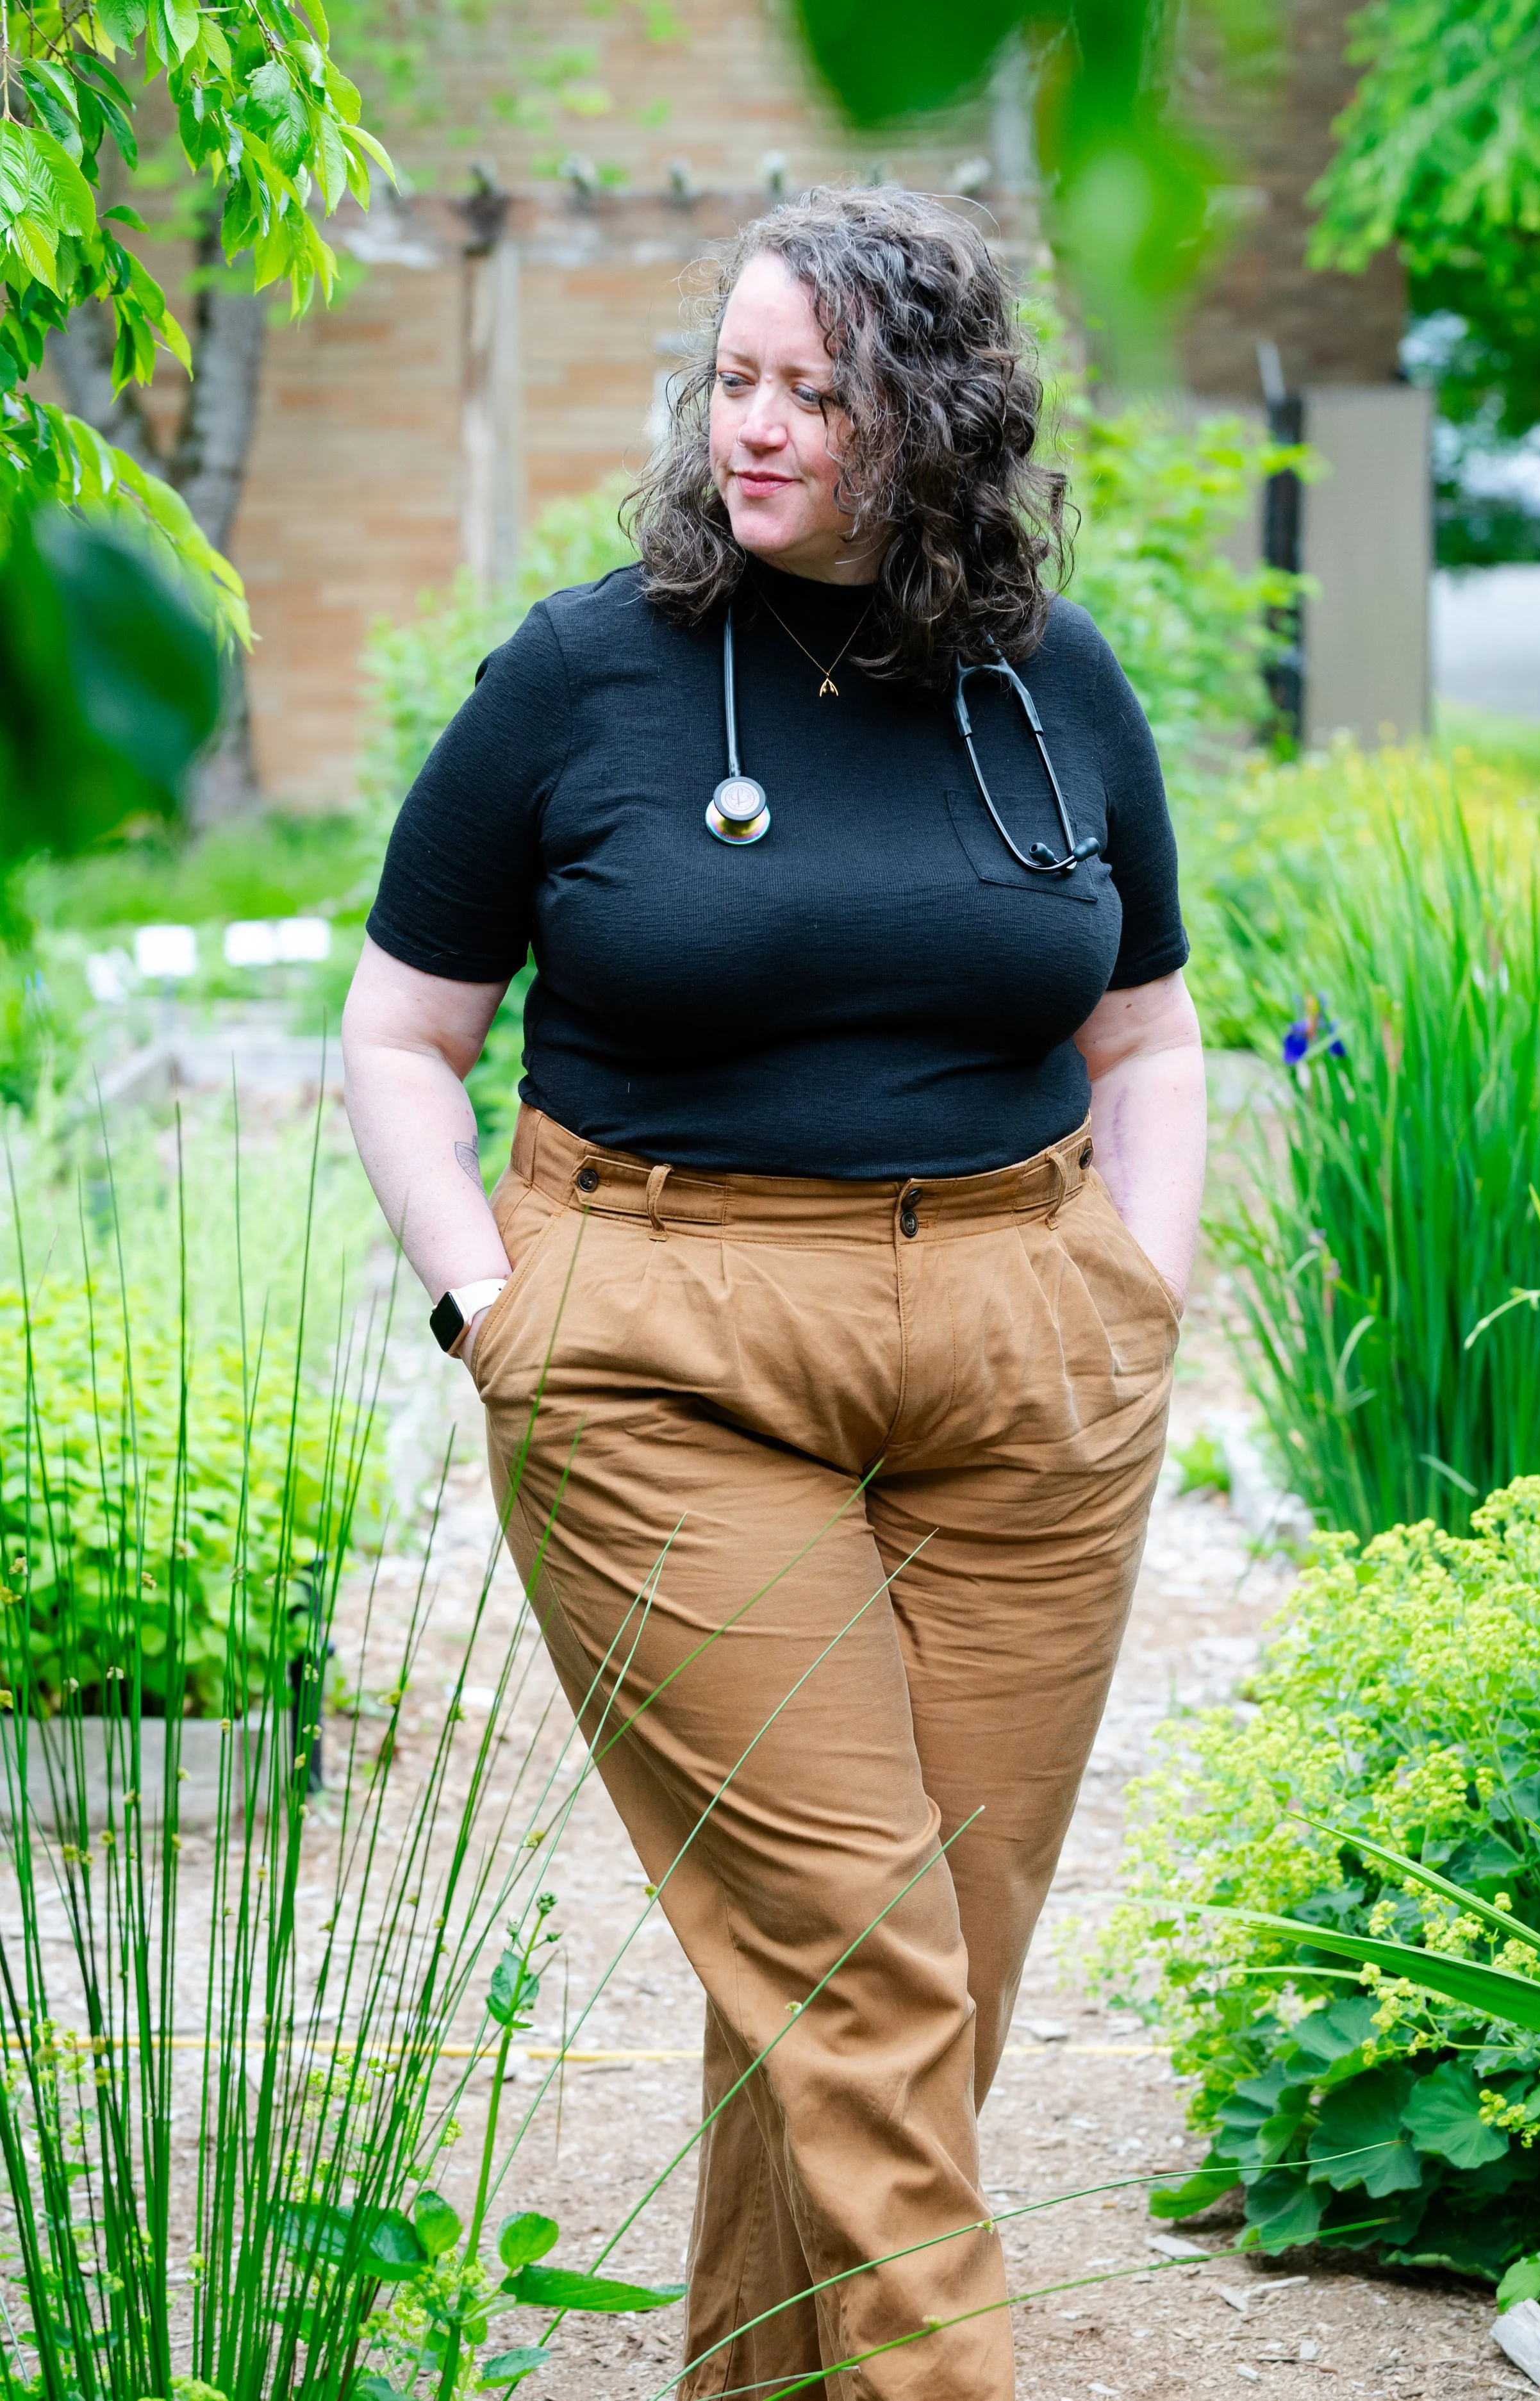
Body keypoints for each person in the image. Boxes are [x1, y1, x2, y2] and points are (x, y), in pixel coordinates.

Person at [343, 183, 1206, 2401]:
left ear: (932, 419)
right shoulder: (582, 671)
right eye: (733, 379)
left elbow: (1146, 1032)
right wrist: (486, 1307)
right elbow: (399, 1033)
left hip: (1025, 1341)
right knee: (859, 1956)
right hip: (663, 1344)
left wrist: (1136, 1282)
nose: (754, 427)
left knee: (927, 1967)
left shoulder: (1052, 682)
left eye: (813, 392)